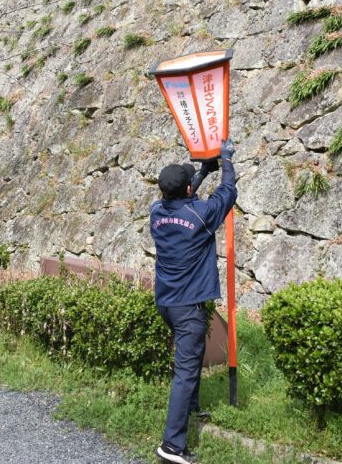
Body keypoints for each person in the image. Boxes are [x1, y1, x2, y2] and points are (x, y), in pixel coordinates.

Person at [151, 139, 237, 464]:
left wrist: (201, 172)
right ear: (188, 190)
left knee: (191, 358)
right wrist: (225, 161)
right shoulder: (199, 215)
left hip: (168, 303)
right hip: (188, 308)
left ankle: (193, 410)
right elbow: (227, 194)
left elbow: (184, 200)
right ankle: (171, 446)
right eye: (191, 183)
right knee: (186, 371)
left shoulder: (157, 213)